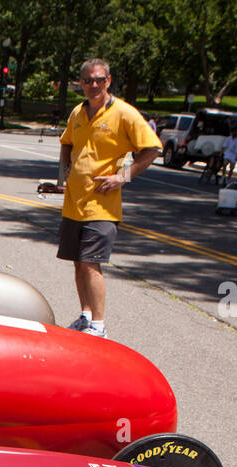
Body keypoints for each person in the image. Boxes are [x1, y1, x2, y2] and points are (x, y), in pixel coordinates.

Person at [56, 58, 161, 338]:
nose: (93, 85)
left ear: (109, 81)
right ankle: (86, 315)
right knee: (78, 263)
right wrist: (65, 169)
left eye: (99, 80)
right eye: (88, 80)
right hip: (74, 203)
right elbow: (66, 142)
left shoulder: (124, 113)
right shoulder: (78, 112)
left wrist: (122, 177)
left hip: (102, 206)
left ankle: (99, 327)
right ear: (81, 83)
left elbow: (152, 149)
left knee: (91, 263)